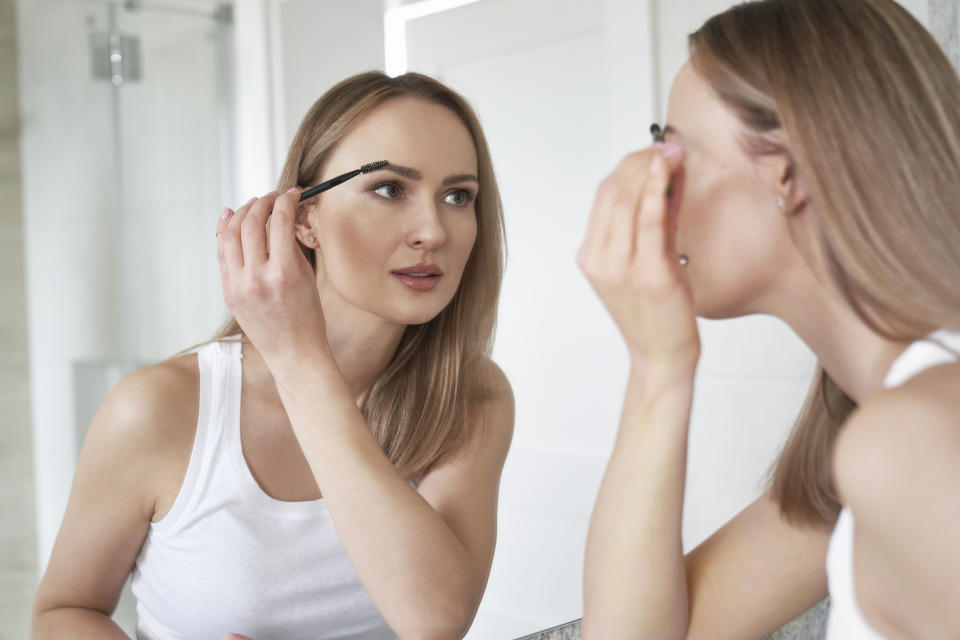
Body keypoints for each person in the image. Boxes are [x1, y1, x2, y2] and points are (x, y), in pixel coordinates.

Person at [31, 71, 514, 640]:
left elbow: (436, 621)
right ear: (304, 218)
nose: (433, 230)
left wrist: (301, 363)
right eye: (389, 188)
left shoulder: (469, 397)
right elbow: (61, 613)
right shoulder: (157, 408)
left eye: (458, 195)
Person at [577, 0, 960, 638]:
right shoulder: (862, 433)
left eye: (673, 152)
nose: (656, 192)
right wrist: (658, 366)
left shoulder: (909, 440)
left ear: (789, 170)